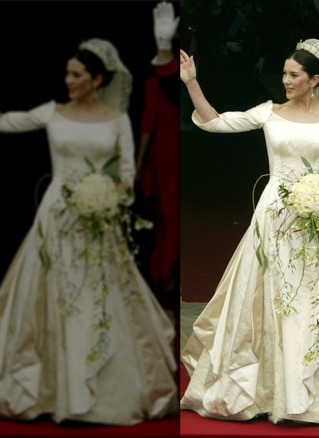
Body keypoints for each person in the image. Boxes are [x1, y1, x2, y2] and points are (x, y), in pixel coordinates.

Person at [178, 38, 319, 425]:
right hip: (273, 215)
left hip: (314, 220)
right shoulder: (269, 112)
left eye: (294, 74)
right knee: (264, 295)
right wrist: (191, 83)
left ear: (315, 79)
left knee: (313, 299)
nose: (285, 80)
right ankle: (262, 390)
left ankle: (314, 394)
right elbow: (216, 122)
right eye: (284, 73)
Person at [0, 38, 178, 425]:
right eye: (67, 73)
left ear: (97, 79)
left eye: (77, 74)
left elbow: (127, 177)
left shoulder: (117, 120)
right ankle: (48, 387)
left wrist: (106, 198)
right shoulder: (52, 112)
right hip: (56, 216)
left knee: (97, 296)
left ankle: (100, 388)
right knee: (49, 293)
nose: (69, 80)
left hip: (97, 221)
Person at [135, 1, 181, 295]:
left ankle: (165, 273)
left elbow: (147, 126)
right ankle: (164, 273)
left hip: (165, 154)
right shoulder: (158, 81)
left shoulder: (159, 81)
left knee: (168, 216)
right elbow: (147, 123)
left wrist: (139, 162)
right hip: (167, 154)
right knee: (168, 216)